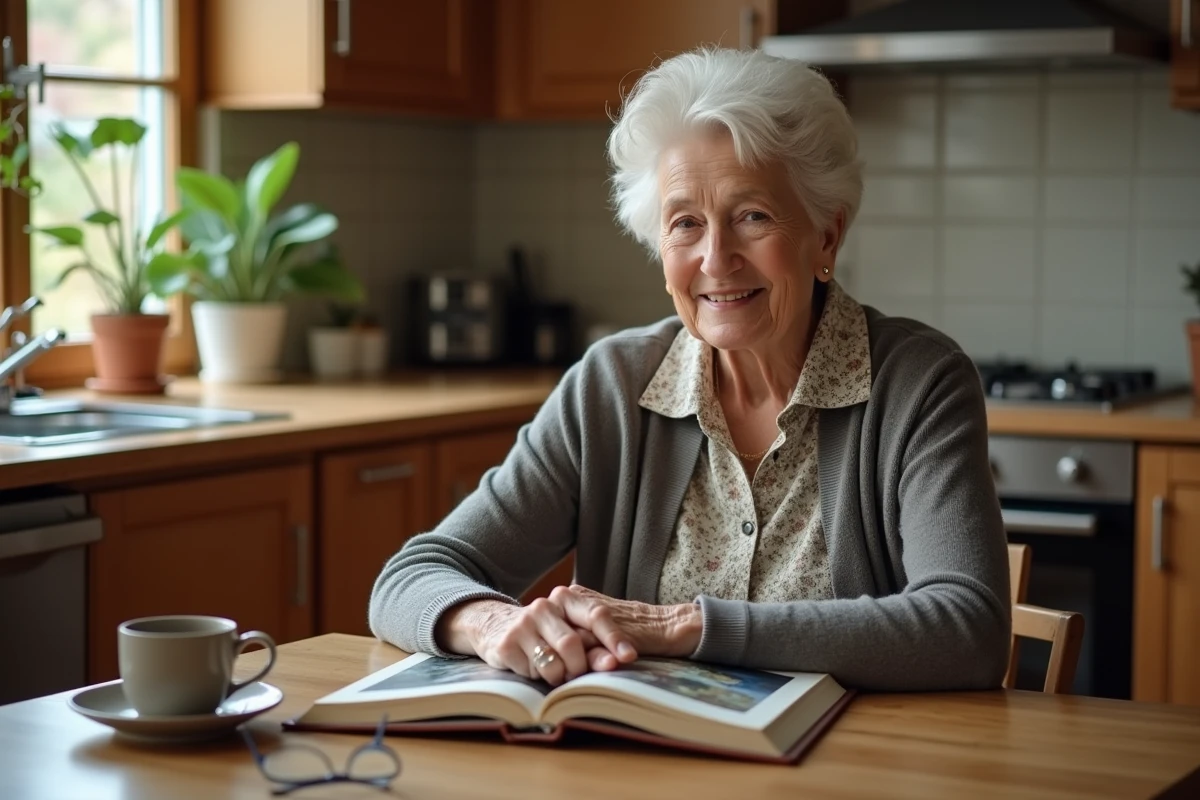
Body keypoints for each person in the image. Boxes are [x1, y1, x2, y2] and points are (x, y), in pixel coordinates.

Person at [369, 46, 1010, 692]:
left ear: (825, 235)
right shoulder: (611, 387)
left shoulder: (919, 383)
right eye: (685, 224)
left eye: (752, 216)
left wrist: (684, 626)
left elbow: (968, 628)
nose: (715, 257)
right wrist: (487, 624)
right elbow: (410, 577)